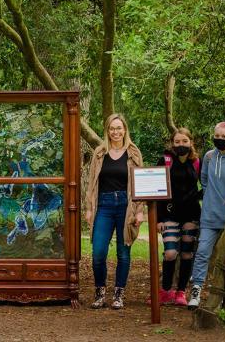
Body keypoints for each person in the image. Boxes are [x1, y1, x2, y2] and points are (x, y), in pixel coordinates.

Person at [84, 113, 145, 310]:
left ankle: (119, 294)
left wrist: (139, 211)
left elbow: (139, 184)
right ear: (107, 131)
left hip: (126, 206)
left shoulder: (133, 153)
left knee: (123, 252)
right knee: (98, 252)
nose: (115, 132)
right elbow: (92, 182)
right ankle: (100, 292)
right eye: (112, 128)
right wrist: (89, 208)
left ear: (125, 130)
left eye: (119, 128)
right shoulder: (100, 153)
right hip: (104, 204)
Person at [187, 122, 225, 310]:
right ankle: (196, 290)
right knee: (202, 252)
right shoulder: (209, 157)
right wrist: (212, 198)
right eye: (216, 136)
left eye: (223, 137)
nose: (219, 139)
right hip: (209, 215)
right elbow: (204, 180)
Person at [156, 127, 200, 306]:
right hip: (169, 213)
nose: (181, 145)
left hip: (191, 214)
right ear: (172, 144)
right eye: (177, 142)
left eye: (184, 141)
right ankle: (166, 290)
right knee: (171, 252)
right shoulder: (165, 160)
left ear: (191, 143)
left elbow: (204, 184)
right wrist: (158, 218)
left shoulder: (197, 162)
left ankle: (181, 292)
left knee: (187, 254)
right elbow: (156, 191)